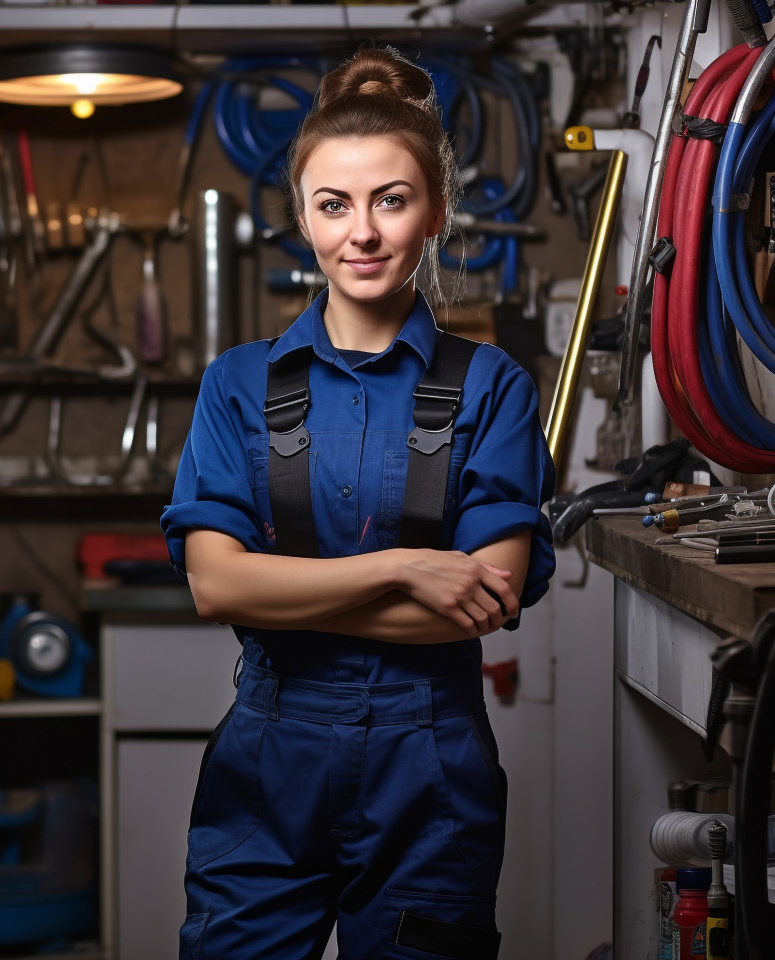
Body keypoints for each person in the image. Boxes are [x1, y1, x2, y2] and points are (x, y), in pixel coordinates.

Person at [161, 45, 555, 960]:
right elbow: (216, 587)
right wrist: (406, 568)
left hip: (430, 769)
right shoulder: (238, 386)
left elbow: (489, 596)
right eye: (334, 205)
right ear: (304, 218)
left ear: (437, 212)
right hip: (267, 764)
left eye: (392, 199)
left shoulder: (493, 386)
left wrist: (287, 593)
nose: (362, 233)